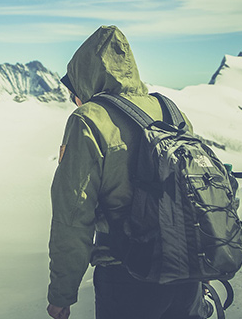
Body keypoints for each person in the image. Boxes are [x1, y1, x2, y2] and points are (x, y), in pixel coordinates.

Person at [46, 26, 210, 319]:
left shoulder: (89, 120)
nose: (75, 99)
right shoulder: (171, 111)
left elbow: (72, 214)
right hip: (188, 276)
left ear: (86, 77)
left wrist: (62, 292)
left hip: (128, 277)